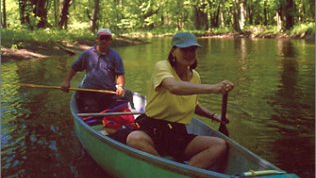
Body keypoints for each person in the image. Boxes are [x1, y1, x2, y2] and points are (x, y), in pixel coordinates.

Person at [126, 31, 234, 170]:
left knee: (220, 145)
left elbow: (193, 105)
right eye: (184, 49)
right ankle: (164, 170)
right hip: (152, 128)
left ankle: (186, 173)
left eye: (193, 49)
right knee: (134, 138)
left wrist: (213, 116)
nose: (189, 53)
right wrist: (213, 88)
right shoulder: (162, 67)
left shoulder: (195, 76)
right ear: (173, 51)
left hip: (178, 133)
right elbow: (173, 87)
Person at [61, 28, 126, 112]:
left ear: (110, 41)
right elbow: (74, 68)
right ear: (97, 39)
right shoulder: (87, 54)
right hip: (89, 91)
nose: (104, 41)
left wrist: (120, 87)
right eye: (101, 38)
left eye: (107, 38)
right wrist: (67, 81)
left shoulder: (115, 56)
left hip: (107, 92)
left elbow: (120, 74)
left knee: (108, 113)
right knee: (91, 111)